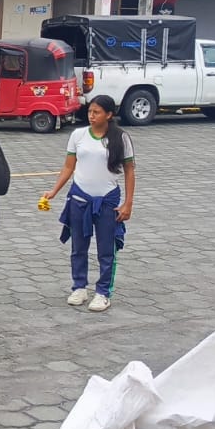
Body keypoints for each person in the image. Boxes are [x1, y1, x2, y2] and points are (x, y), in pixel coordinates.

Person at [40, 95, 135, 313]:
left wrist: (128, 203)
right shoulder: (78, 135)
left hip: (107, 200)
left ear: (109, 115)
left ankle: (103, 292)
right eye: (90, 111)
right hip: (79, 198)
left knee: (106, 249)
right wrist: (54, 191)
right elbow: (68, 166)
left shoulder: (121, 138)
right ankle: (79, 287)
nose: (92, 116)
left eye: (97, 112)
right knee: (78, 247)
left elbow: (130, 171)